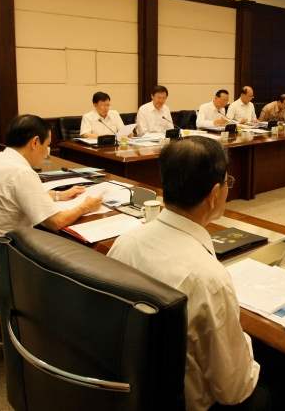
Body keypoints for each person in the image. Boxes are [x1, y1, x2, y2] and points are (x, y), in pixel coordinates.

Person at [106, 137, 263, 410]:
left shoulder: (125, 242)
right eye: (228, 182)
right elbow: (233, 390)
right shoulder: (208, 279)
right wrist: (246, 342)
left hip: (129, 391)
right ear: (214, 194)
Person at [0, 115, 102, 253]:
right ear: (35, 142)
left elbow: (15, 195)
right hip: (7, 253)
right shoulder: (21, 172)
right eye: (47, 145)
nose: (46, 153)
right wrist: (85, 207)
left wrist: (58, 195)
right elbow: (56, 222)